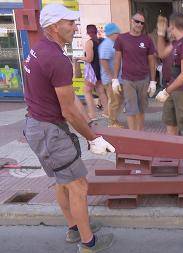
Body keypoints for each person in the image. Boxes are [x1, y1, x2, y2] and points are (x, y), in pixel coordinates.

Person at [23, 4, 115, 253]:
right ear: (54, 26)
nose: (75, 28)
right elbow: (67, 111)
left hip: (37, 125)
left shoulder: (39, 50)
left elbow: (70, 102)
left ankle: (74, 228)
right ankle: (88, 244)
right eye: (70, 23)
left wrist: (86, 119)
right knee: (79, 185)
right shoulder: (56, 59)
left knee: (63, 182)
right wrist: (93, 138)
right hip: (49, 130)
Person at [113, 12, 157, 131]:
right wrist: (115, 79)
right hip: (128, 80)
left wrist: (153, 81)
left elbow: (152, 61)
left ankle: (140, 133)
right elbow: (117, 59)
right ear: (131, 21)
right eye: (137, 21)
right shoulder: (121, 38)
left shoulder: (147, 39)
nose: (139, 25)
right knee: (131, 110)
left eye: (142, 23)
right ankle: (133, 136)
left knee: (141, 109)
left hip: (143, 79)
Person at [76, 25, 108, 121]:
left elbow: (89, 59)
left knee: (87, 91)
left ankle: (92, 114)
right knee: (101, 92)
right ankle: (107, 112)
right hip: (100, 70)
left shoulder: (89, 42)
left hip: (92, 71)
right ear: (96, 31)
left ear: (87, 32)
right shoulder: (102, 41)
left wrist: (79, 57)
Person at [98, 23, 124, 128]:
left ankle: (114, 119)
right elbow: (103, 61)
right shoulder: (107, 44)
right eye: (117, 33)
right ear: (112, 33)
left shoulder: (113, 43)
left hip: (116, 78)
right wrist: (113, 78)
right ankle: (112, 122)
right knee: (114, 100)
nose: (119, 35)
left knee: (119, 99)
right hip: (111, 79)